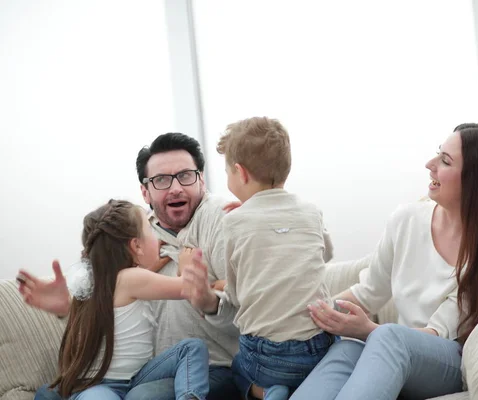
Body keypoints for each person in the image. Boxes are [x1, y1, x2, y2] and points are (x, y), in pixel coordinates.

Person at [289, 123, 478, 400]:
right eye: (438, 154)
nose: (430, 164)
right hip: (393, 346)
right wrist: (309, 311)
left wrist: (369, 330)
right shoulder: (407, 220)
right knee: (347, 349)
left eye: (445, 161)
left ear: (477, 181)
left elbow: (438, 333)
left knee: (388, 337)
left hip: (448, 360)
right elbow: (367, 294)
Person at [24, 133, 245, 400]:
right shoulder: (137, 236)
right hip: (145, 370)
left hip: (209, 366)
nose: (175, 188)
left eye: (185, 175)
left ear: (201, 179)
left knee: (141, 396)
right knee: (48, 394)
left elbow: (245, 295)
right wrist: (68, 306)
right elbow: (104, 294)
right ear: (145, 191)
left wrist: (207, 293)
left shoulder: (226, 219)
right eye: (161, 180)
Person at [18, 199, 210, 399]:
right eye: (151, 230)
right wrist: (185, 266)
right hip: (100, 387)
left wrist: (65, 307)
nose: (157, 237)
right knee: (193, 348)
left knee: (189, 348)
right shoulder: (131, 279)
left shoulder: (99, 281)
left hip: (136, 378)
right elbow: (188, 288)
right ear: (136, 246)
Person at [204, 117, 335, 399]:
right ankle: (296, 388)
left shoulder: (234, 221)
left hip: (267, 357)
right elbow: (327, 255)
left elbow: (236, 295)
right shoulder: (311, 211)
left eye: (227, 172)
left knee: (237, 367)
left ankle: (269, 392)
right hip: (319, 347)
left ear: (240, 173)